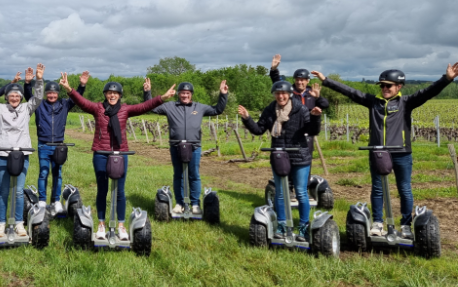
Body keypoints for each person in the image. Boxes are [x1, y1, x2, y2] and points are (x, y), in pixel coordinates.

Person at [312, 63, 458, 239]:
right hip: (378, 152)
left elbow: (428, 92)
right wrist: (326, 80)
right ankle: (378, 223)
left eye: (388, 85)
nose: (384, 88)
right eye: (382, 85)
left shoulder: (406, 103)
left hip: (401, 152)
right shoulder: (373, 102)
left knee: (404, 189)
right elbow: (350, 92)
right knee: (378, 188)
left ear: (399, 86)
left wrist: (447, 79)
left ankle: (405, 225)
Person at [59, 73, 174, 240]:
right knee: (102, 190)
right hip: (101, 153)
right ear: (105, 94)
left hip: (120, 154)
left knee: (120, 191)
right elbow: (82, 102)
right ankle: (101, 224)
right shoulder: (98, 108)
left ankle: (120, 225)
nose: (112, 95)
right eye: (109, 93)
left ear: (119, 95)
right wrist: (69, 89)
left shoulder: (125, 109)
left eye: (115, 93)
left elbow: (144, 106)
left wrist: (162, 97)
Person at [238, 81, 323, 241]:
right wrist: (247, 118)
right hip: (279, 156)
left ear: (289, 94)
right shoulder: (270, 110)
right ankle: (282, 225)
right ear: (274, 95)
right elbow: (258, 130)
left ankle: (303, 227)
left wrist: (315, 118)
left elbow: (312, 130)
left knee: (301, 192)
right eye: (278, 93)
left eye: (284, 93)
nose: (281, 96)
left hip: (299, 155)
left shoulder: (300, 109)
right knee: (280, 193)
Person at [143, 79, 228, 214]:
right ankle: (179, 203)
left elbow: (218, 109)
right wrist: (147, 92)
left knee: (194, 175)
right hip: (176, 145)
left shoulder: (199, 107)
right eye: (182, 93)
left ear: (191, 94)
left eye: (187, 93)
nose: (185, 95)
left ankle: (195, 204)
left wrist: (223, 94)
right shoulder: (170, 106)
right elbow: (151, 107)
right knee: (179, 175)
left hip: (194, 146)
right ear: (178, 94)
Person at [0, 62, 44, 238]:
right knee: (3, 191)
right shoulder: (0, 109)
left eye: (17, 96)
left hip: (22, 155)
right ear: (7, 97)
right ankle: (1, 223)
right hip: (3, 154)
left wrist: (39, 80)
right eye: (11, 96)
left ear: (21, 97)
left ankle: (18, 223)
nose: (14, 98)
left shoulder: (26, 108)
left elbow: (38, 98)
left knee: (18, 191)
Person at [28, 72, 88, 213]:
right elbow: (28, 95)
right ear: (45, 94)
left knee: (57, 174)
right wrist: (28, 83)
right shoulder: (39, 104)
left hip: (59, 146)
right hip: (44, 144)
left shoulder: (64, 104)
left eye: (54, 93)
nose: (52, 95)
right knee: (43, 173)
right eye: (49, 93)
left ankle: (56, 201)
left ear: (58, 94)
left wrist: (81, 85)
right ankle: (42, 201)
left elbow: (76, 98)